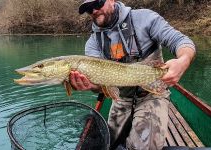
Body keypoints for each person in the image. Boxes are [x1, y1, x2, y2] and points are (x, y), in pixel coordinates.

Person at [70, 0, 196, 149]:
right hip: (121, 99)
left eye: (98, 3)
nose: (94, 10)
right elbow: (99, 86)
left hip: (151, 95)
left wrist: (183, 60)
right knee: (105, 144)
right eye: (88, 9)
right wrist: (93, 85)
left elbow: (180, 41)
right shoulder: (93, 43)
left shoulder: (145, 18)